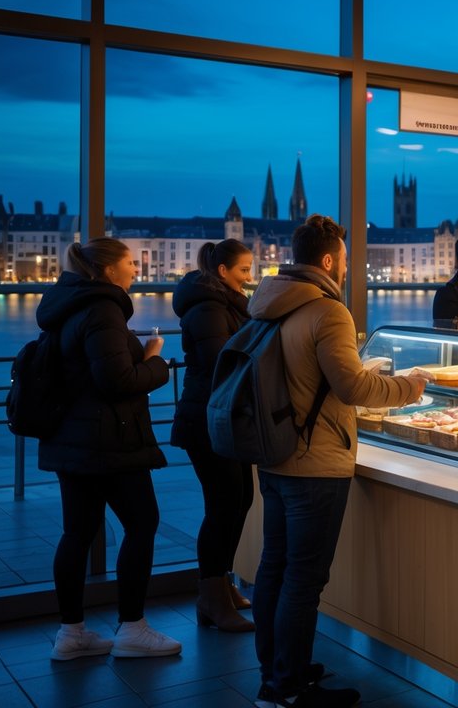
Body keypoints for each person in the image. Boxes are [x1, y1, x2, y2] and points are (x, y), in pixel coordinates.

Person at [250, 215, 426, 708]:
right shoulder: (328, 311)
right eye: (346, 259)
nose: (349, 268)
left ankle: (276, 668)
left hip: (276, 454)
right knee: (304, 580)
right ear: (328, 260)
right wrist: (408, 389)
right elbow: (353, 387)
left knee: (275, 568)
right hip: (317, 462)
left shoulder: (267, 301)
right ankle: (286, 688)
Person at [36, 237, 181, 660]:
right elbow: (118, 382)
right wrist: (155, 360)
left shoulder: (64, 307)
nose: (137, 269)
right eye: (130, 263)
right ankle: (133, 627)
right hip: (109, 442)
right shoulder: (102, 310)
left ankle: (71, 633)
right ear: (107, 271)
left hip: (69, 439)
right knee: (142, 524)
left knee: (76, 533)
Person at [171, 238, 255, 633]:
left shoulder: (225, 304)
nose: (249, 278)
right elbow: (220, 361)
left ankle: (220, 584)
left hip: (224, 417)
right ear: (223, 272)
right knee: (223, 506)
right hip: (206, 418)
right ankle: (211, 595)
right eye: (243, 271)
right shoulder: (208, 308)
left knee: (240, 500)